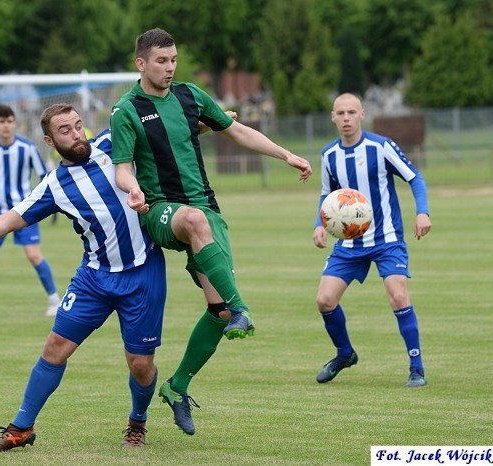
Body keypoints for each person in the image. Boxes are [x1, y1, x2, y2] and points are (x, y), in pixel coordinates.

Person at [0, 103, 167, 450]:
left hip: (143, 273)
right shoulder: (54, 186)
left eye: (78, 126)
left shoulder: (113, 144)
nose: (76, 134)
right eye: (66, 130)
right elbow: (4, 221)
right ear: (49, 140)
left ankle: (137, 422)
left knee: (140, 365)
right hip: (94, 277)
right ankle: (21, 430)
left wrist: (214, 121)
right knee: (54, 348)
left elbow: (169, 133)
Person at [110, 27, 313, 434]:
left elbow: (236, 130)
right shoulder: (126, 110)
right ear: (141, 64)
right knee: (196, 223)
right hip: (161, 211)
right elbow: (122, 168)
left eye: (173, 60)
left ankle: (177, 386)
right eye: (161, 61)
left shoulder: (190, 95)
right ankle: (245, 309)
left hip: (206, 205)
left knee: (217, 310)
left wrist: (286, 153)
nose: (169, 68)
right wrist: (134, 192)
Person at [312, 93, 432, 388]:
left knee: (399, 296)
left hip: (386, 238)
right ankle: (345, 354)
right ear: (332, 117)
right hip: (350, 243)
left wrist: (422, 213)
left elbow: (415, 178)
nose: (346, 118)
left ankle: (416, 367)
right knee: (324, 300)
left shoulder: (381, 147)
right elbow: (327, 196)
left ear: (362, 114)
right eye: (340, 113)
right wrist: (320, 224)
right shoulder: (330, 155)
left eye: (352, 112)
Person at [0, 104, 60, 320]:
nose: (6, 126)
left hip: (24, 211)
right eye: (1, 122)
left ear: (15, 124)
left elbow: (44, 177)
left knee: (33, 254)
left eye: (9, 121)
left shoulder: (27, 147)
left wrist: (46, 204)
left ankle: (55, 300)